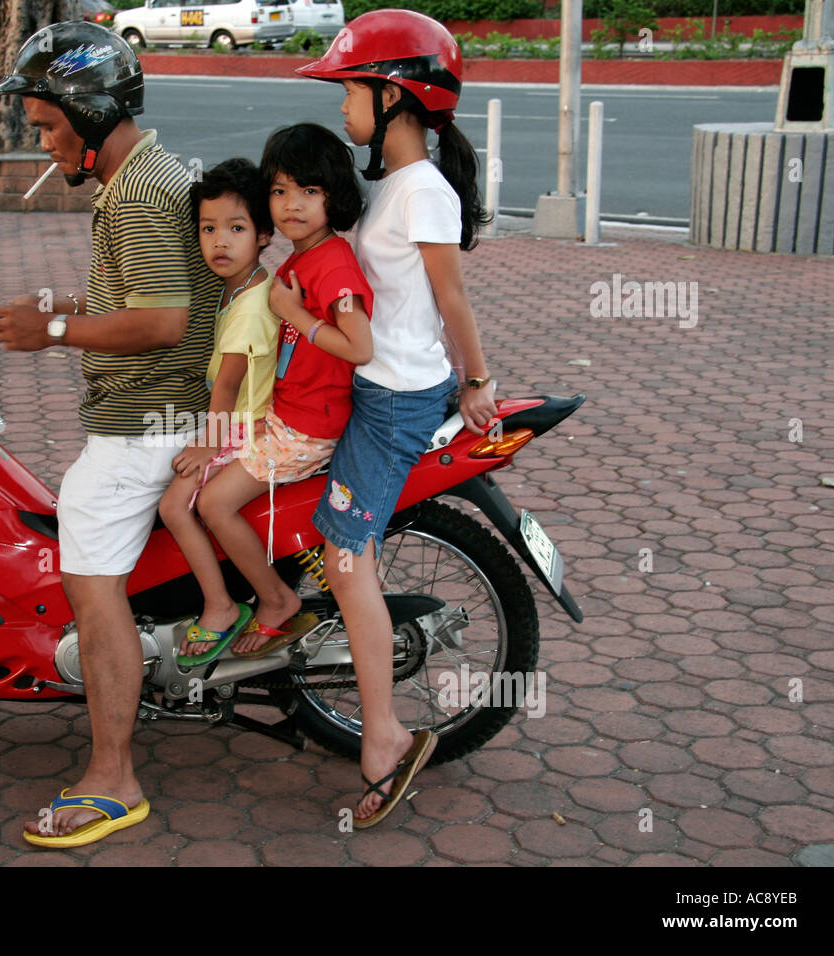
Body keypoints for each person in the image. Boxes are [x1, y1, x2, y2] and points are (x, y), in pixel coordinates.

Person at [0, 21, 222, 848]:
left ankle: (114, 779)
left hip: (144, 425)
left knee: (92, 593)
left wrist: (51, 335)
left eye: (48, 125)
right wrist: (65, 311)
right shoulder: (148, 175)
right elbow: (148, 297)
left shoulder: (137, 194)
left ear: (88, 114)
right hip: (164, 410)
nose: (45, 144)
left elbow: (161, 322)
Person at [296, 9, 498, 828]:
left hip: (396, 402)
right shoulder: (392, 185)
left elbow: (452, 297)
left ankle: (382, 739)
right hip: (366, 388)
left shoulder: (426, 193)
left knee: (347, 561)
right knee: (323, 539)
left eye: (351, 91)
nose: (343, 109)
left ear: (395, 97)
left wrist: (477, 378)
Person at [190, 123, 374, 661]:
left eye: (309, 192)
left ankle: (275, 599)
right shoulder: (299, 257)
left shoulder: (333, 264)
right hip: (284, 415)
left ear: (334, 195)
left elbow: (359, 347)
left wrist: (296, 314)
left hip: (305, 427)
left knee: (214, 504)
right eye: (279, 191)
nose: (291, 205)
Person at [157, 158, 278, 667]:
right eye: (209, 229)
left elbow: (228, 384)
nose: (219, 242)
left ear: (264, 235)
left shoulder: (250, 305)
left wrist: (207, 442)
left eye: (236, 228)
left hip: (240, 427)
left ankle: (224, 603)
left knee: (178, 506)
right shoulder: (243, 285)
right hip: (238, 420)